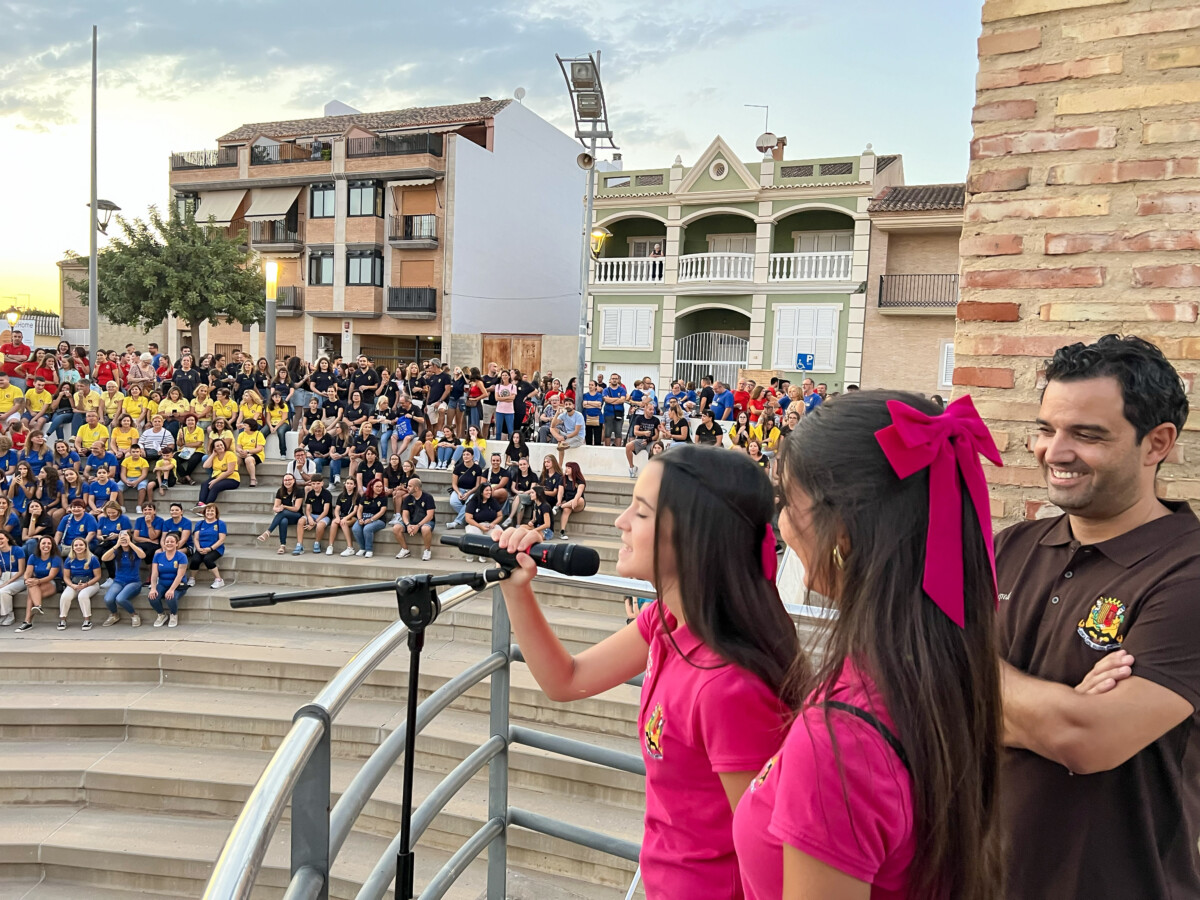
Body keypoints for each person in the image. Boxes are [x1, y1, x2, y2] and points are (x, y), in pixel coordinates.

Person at [493, 445, 799, 898]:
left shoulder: (730, 687)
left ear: (693, 534)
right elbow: (567, 679)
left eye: (640, 512)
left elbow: (765, 854)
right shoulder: (665, 622)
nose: (620, 522)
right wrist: (517, 590)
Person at [734, 390, 1004, 900]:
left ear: (843, 536)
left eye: (787, 504)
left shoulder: (842, 739)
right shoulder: (938, 674)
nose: (780, 523)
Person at [995, 336, 1200, 900]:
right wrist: (1058, 707)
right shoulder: (1007, 548)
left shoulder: (1188, 573)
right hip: (980, 876)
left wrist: (963, 670)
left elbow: (1088, 741)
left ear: (1156, 443)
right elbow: (914, 695)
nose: (1054, 452)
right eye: (1047, 429)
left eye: (1086, 435)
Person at [15, 535, 61, 631]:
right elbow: (27, 573)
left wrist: (36, 581)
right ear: (39, 545)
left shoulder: (55, 558)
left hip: (53, 582)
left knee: (31, 594)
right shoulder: (33, 557)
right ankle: (37, 607)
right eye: (43, 543)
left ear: (52, 546)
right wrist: (27, 580)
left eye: (49, 543)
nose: (46, 545)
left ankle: (27, 621)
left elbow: (51, 576)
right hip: (37, 583)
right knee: (32, 586)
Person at [59, 536, 100, 631]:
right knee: (65, 596)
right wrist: (72, 585)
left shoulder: (93, 559)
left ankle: (87, 620)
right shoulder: (69, 560)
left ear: (85, 546)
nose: (78, 547)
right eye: (76, 545)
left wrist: (86, 584)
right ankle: (62, 620)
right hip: (74, 583)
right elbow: (66, 577)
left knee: (83, 595)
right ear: (72, 547)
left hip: (91, 583)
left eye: (81, 545)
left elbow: (97, 576)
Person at [149, 531, 189, 627]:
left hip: (178, 584)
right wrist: (153, 588)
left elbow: (180, 575)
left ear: (176, 544)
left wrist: (171, 590)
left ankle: (173, 615)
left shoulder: (182, 556)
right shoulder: (158, 556)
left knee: (170, 597)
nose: (169, 544)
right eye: (167, 541)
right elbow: (154, 573)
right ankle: (162, 614)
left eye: (172, 542)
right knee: (152, 597)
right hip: (163, 583)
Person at [258, 472, 304, 553]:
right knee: (283, 521)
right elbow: (275, 507)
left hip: (297, 516)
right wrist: (277, 509)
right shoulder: (280, 491)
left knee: (284, 512)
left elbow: (296, 508)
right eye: (285, 480)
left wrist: (284, 507)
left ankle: (268, 532)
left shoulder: (299, 491)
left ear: (294, 481)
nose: (287, 482)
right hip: (285, 515)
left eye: (289, 479)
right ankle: (282, 546)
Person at [187, 503, 228, 589]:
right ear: (204, 513)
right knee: (195, 560)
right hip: (201, 548)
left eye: (212, 511)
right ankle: (192, 578)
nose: (210, 512)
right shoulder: (200, 523)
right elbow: (196, 538)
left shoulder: (220, 524)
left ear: (216, 513)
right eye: (208, 511)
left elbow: (221, 540)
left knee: (207, 559)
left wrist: (210, 548)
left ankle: (219, 580)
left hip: (216, 548)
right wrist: (198, 548)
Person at [394, 477, 435, 561]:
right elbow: (404, 514)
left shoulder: (428, 497)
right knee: (396, 528)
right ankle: (405, 549)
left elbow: (430, 516)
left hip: (425, 522)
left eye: (409, 486)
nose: (407, 488)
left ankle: (427, 550)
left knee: (425, 529)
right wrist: (408, 525)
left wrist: (418, 526)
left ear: (416, 488)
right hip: (411, 522)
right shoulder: (408, 498)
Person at [348, 478, 388, 558]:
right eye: (377, 486)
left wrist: (371, 519)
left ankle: (369, 550)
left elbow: (382, 512)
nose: (379, 488)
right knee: (355, 528)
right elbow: (359, 510)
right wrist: (359, 519)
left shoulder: (383, 497)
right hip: (364, 517)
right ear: (372, 486)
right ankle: (362, 548)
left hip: (378, 519)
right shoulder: (365, 496)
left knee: (367, 528)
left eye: (381, 486)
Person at [446, 447, 484, 529]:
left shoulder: (477, 468)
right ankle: (470, 518)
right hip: (459, 489)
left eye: (467, 454)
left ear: (472, 456)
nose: (465, 456)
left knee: (469, 502)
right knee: (453, 502)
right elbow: (454, 484)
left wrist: (468, 493)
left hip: (472, 491)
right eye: (463, 455)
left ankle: (456, 522)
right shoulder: (458, 467)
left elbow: (477, 485)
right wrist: (459, 493)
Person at [463, 482, 503, 558]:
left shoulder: (493, 501)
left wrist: (493, 523)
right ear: (481, 492)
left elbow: (500, 515)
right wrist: (480, 526)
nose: (489, 492)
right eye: (487, 490)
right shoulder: (473, 502)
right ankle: (471, 554)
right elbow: (468, 518)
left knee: (500, 533)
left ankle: (490, 554)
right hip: (474, 524)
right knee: (475, 534)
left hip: (490, 524)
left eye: (490, 490)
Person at [295, 475, 333, 555]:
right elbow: (308, 509)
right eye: (313, 484)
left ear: (322, 483)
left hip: (325, 516)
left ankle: (317, 543)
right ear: (311, 484)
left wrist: (314, 522)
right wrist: (309, 517)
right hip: (313, 514)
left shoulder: (327, 494)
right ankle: (299, 545)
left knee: (319, 525)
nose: (315, 486)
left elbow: (325, 511)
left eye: (318, 483)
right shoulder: (310, 493)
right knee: (301, 521)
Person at [197, 437, 239, 508]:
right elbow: (205, 466)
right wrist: (213, 455)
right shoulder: (215, 456)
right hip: (218, 477)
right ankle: (200, 504)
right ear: (214, 448)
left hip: (232, 479)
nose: (220, 447)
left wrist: (215, 481)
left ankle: (207, 508)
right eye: (217, 446)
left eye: (221, 445)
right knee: (204, 484)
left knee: (215, 486)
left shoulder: (230, 454)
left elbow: (230, 471)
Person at [624, 398, 660, 477]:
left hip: (651, 440)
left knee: (656, 448)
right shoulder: (639, 418)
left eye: (653, 410)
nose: (652, 411)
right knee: (628, 446)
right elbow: (635, 432)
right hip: (640, 439)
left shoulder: (656, 420)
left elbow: (656, 436)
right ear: (645, 410)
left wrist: (648, 440)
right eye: (650, 409)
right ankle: (632, 468)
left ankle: (653, 470)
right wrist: (644, 433)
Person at [325, 479, 360, 558]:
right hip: (342, 516)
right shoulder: (341, 495)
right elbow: (337, 509)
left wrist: (345, 518)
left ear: (354, 485)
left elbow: (355, 511)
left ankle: (350, 547)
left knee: (343, 523)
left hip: (353, 517)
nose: (349, 485)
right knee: (334, 522)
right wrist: (337, 517)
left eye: (351, 484)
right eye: (347, 483)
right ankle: (330, 546)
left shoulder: (357, 496)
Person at [550, 397, 585, 468]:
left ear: (573, 406)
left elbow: (576, 432)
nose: (568, 406)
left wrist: (564, 437)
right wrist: (557, 413)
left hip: (578, 437)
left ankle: (559, 466)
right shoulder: (564, 414)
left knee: (561, 445)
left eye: (569, 404)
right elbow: (553, 425)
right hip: (567, 435)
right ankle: (560, 440)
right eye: (566, 404)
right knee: (552, 429)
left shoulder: (579, 415)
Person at [0, 530, 25, 626]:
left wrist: (7, 582)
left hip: (18, 577)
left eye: (1, 538)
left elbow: (21, 570)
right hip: (4, 576)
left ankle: (9, 615)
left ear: (7, 538)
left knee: (3, 591)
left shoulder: (17, 550)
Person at [557, 462, 586, 540]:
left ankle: (560, 507)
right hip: (567, 502)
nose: (566, 469)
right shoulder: (563, 479)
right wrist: (559, 501)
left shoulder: (580, 480)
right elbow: (560, 491)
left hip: (578, 503)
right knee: (566, 509)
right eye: (566, 467)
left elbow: (579, 493)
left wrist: (574, 501)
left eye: (569, 468)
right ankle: (562, 532)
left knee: (580, 499)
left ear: (574, 469)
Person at [235, 419, 266, 486]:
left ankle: (253, 479)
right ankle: (234, 476)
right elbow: (238, 447)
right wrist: (240, 451)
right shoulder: (241, 434)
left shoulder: (258, 434)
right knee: (235, 458)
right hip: (243, 453)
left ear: (250, 426)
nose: (243, 426)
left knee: (248, 459)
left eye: (245, 425)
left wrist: (248, 451)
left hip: (256, 454)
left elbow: (259, 448)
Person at [493, 371, 517, 440]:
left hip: (509, 411)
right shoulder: (498, 386)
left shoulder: (513, 386)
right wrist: (507, 398)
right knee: (498, 429)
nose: (504, 376)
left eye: (506, 375)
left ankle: (511, 442)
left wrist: (502, 398)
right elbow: (497, 398)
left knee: (510, 430)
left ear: (509, 376)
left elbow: (512, 398)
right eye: (503, 375)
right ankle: (497, 442)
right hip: (499, 410)